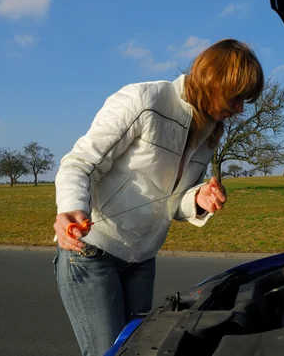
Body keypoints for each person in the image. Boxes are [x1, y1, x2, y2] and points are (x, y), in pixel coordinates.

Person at [52, 38, 265, 356]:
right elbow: (80, 163)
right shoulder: (145, 100)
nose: (239, 108)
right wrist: (70, 208)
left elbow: (172, 203)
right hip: (92, 253)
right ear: (211, 80)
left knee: (137, 351)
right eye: (236, 97)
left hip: (142, 262)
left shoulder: (209, 135)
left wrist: (197, 199)